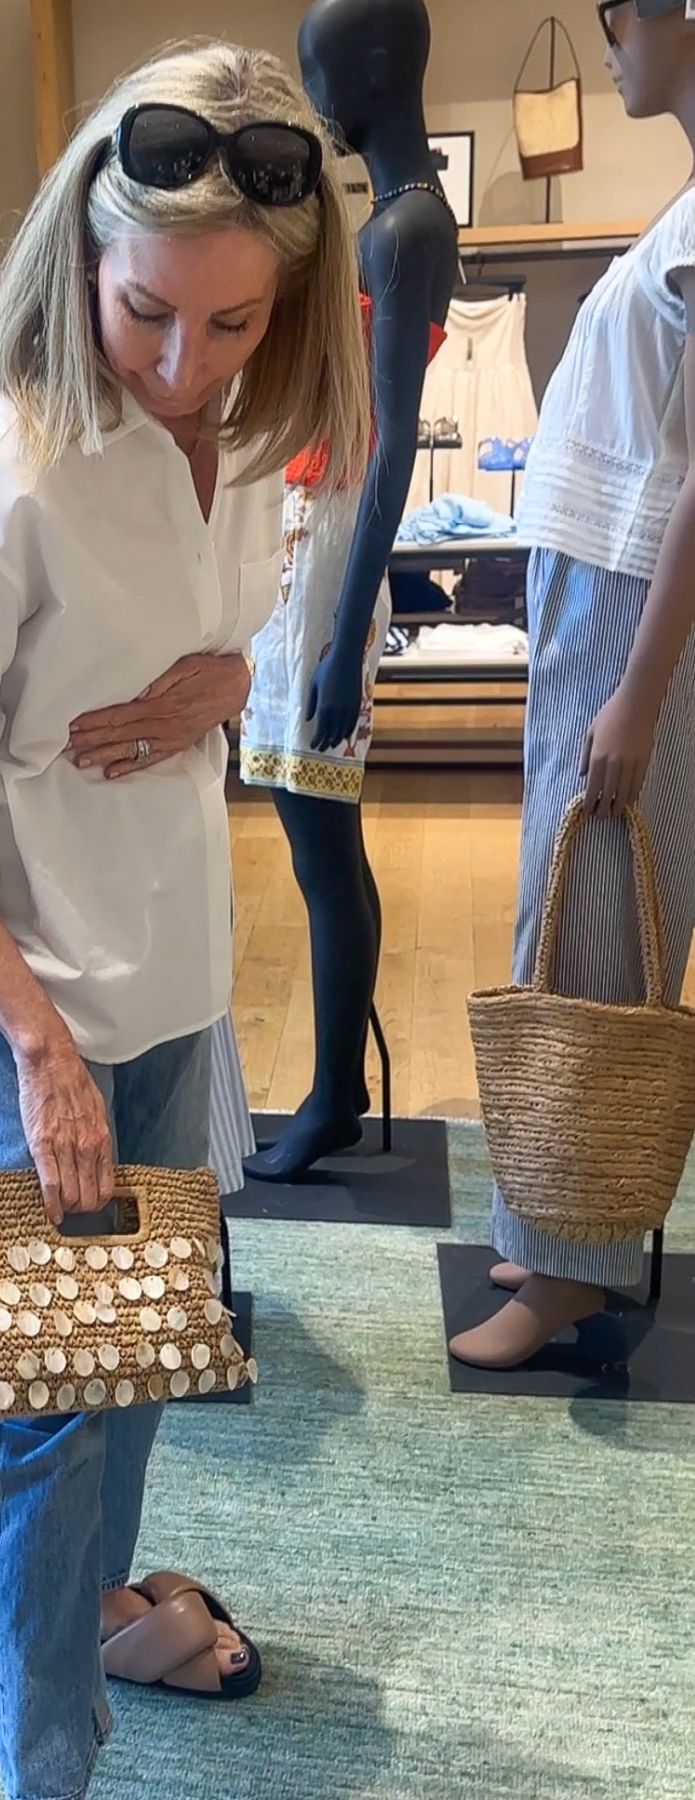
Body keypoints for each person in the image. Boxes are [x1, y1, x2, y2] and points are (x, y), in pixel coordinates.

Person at [0, 40, 368, 1800]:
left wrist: (221, 681)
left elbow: (260, 601)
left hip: (166, 971)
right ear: (82, 250)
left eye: (231, 327)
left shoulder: (237, 431)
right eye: (149, 314)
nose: (181, 367)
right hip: (28, 1006)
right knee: (35, 1423)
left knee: (134, 1355)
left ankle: (111, 1614)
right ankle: (41, 1768)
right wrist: (43, 1050)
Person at [449, 0, 695, 1369]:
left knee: (599, 913)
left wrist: (642, 690)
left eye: (617, 11)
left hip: (634, 607)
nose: (607, 40)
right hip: (604, 593)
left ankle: (573, 1269)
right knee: (568, 898)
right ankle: (550, 1223)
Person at [240, 0, 457, 1182]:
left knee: (322, 835)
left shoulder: (408, 230)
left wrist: (338, 637)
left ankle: (334, 1092)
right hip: (307, 528)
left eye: (323, 69)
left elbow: (388, 453)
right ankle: (335, 1082)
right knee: (310, 828)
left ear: (376, 65)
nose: (315, 94)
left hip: (333, 544)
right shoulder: (386, 219)